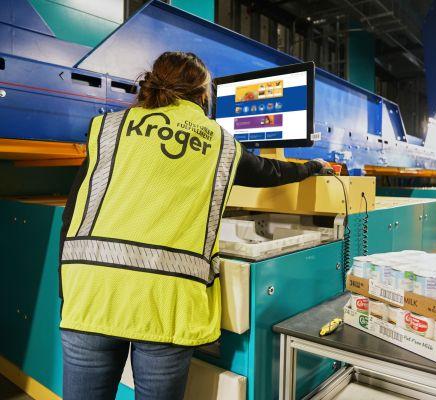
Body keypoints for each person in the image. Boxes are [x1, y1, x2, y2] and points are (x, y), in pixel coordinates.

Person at [59, 51, 330, 400]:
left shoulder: (108, 126)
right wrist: (313, 167)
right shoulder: (218, 141)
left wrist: (69, 286)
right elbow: (269, 172)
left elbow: (74, 212)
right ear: (203, 94)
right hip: (166, 303)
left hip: (91, 291)